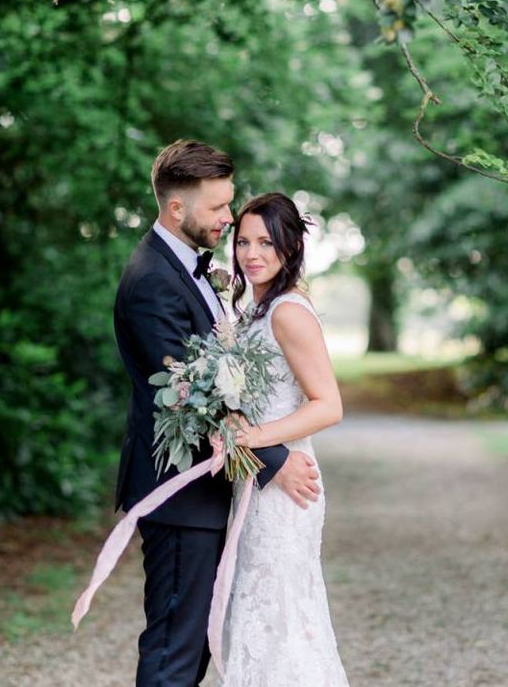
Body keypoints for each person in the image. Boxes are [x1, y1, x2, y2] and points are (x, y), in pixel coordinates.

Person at [112, 140, 321, 687]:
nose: (228, 219)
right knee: (174, 651)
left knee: (195, 649)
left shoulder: (190, 269)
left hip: (209, 492)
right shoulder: (152, 281)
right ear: (176, 208)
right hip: (179, 493)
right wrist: (275, 459)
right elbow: (190, 396)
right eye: (219, 208)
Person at [219, 192, 350, 686]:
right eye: (243, 241)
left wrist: (252, 437)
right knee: (260, 614)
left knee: (284, 617)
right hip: (254, 483)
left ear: (290, 248)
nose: (251, 254)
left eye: (266, 243)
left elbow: (328, 405)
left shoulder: (287, 312)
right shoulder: (252, 310)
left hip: (286, 485)